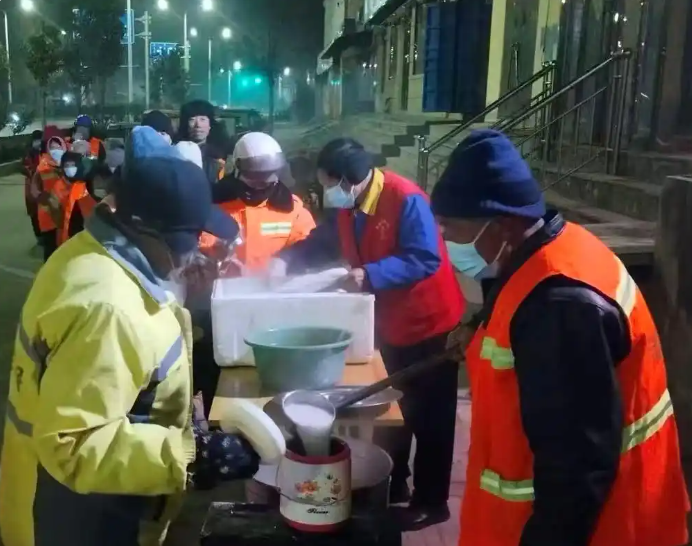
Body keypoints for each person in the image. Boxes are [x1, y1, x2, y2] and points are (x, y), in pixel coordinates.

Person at [0, 126, 269, 546]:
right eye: (186, 240)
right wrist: (193, 454)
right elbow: (74, 443)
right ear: (144, 229)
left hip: (97, 489)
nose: (193, 250)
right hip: (77, 512)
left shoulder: (95, 252)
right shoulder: (108, 310)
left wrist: (179, 284)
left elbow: (138, 349)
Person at [431, 129, 690, 546]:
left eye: (451, 228)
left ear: (500, 225)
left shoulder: (561, 309)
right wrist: (478, 326)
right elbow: (515, 298)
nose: (445, 240)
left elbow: (576, 472)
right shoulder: (546, 248)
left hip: (605, 529)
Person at [269, 137, 465, 530]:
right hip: (388, 323)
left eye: (330, 184)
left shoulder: (405, 198)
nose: (328, 192)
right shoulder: (351, 204)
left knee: (432, 417)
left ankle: (432, 502)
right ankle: (396, 481)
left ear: (350, 178)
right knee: (396, 410)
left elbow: (425, 257)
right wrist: (285, 260)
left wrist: (369, 274)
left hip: (429, 322)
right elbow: (324, 240)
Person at [201, 132, 316, 273]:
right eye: (254, 179)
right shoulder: (212, 204)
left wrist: (286, 261)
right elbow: (196, 247)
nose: (260, 187)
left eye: (266, 180)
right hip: (220, 284)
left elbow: (308, 247)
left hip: (273, 285)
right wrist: (218, 259)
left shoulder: (292, 209)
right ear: (236, 171)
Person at [29, 127, 68, 261]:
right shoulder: (42, 168)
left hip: (66, 214)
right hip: (48, 217)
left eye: (58, 146)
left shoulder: (69, 164)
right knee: (51, 251)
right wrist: (43, 198)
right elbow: (34, 189)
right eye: (52, 147)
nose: (55, 149)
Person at [178, 100, 226, 184]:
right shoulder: (177, 153)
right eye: (192, 120)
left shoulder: (219, 159)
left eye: (202, 119)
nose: (198, 125)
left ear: (210, 125)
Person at [22, 130, 43, 243]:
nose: (38, 142)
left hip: (43, 185)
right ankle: (39, 236)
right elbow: (24, 168)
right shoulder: (28, 154)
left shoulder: (45, 151)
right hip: (31, 186)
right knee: (34, 213)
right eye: (36, 139)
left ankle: (45, 235)